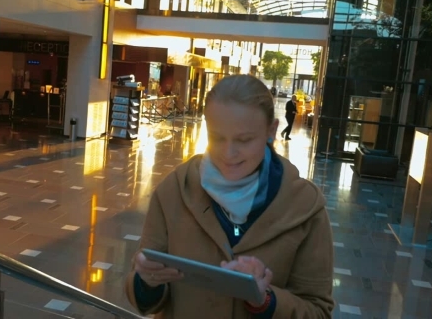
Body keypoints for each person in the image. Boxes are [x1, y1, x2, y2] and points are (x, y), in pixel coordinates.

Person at [124, 75, 333, 318]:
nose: (228, 153)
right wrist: (147, 282)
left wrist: (265, 300)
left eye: (244, 140)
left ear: (271, 131)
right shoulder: (173, 191)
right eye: (217, 138)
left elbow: (318, 311)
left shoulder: (305, 207)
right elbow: (144, 297)